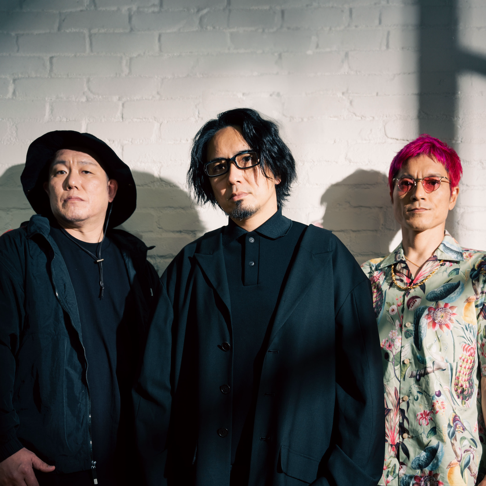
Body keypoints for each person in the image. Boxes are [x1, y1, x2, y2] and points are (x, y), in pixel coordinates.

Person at [134, 108, 384, 486]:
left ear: (277, 170)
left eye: (246, 159)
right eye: (218, 167)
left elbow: (362, 389)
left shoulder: (327, 257)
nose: (233, 176)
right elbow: (153, 388)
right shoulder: (190, 265)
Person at [0, 131, 160, 486]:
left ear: (111, 190)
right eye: (60, 172)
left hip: (130, 465)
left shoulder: (139, 267)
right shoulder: (18, 253)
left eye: (86, 171)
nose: (72, 181)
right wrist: (4, 446)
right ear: (47, 188)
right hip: (47, 469)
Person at [361, 134, 486, 486]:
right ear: (393, 194)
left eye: (432, 182)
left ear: (453, 195)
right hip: (375, 474)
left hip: (451, 474)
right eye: (406, 183)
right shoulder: (367, 279)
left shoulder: (477, 273)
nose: (418, 193)